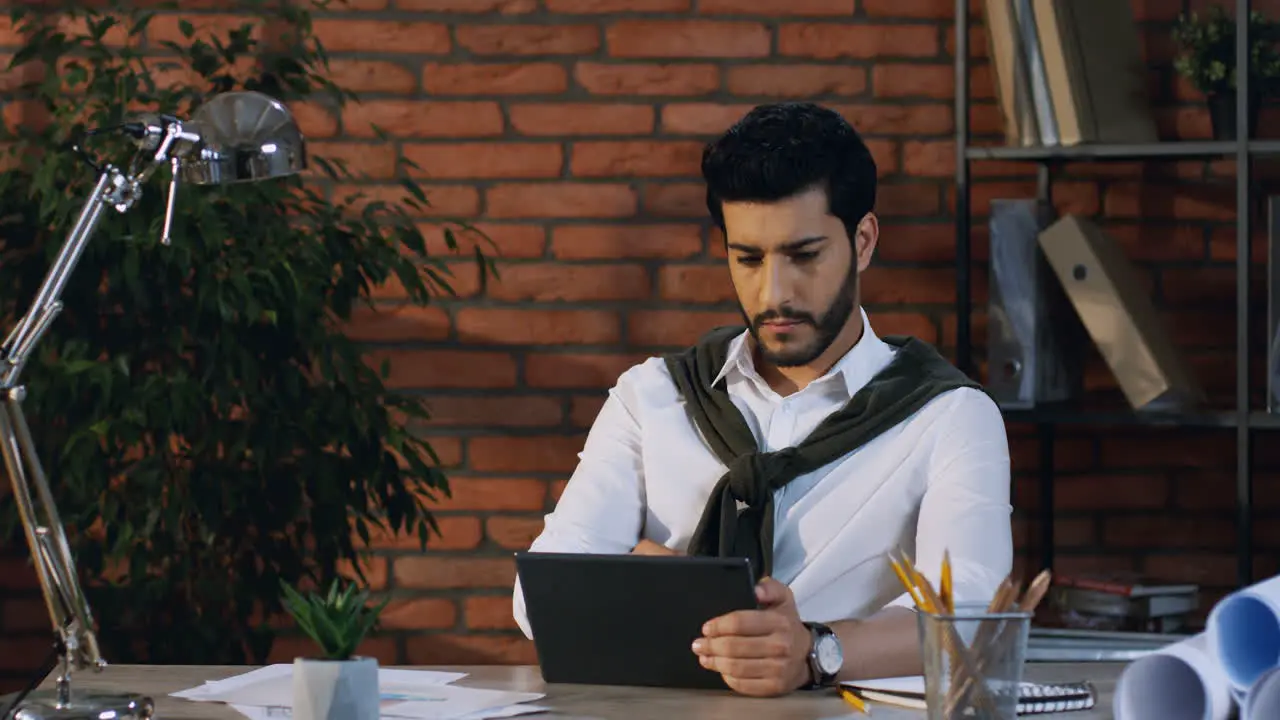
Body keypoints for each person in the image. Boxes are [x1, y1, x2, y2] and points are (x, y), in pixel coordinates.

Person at [510, 101, 1013, 698]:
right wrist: (693, 589)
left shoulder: (949, 415)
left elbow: (972, 619)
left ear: (864, 240)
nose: (774, 293)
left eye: (804, 256)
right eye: (748, 259)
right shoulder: (650, 398)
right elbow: (541, 598)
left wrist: (817, 649)